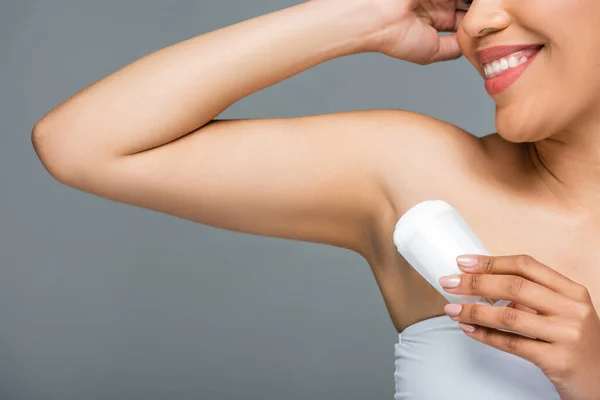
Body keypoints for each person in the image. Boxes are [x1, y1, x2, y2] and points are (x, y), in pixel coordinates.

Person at [30, 0, 600, 398]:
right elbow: (82, 144)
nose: (479, 21)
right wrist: (364, 17)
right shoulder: (419, 174)